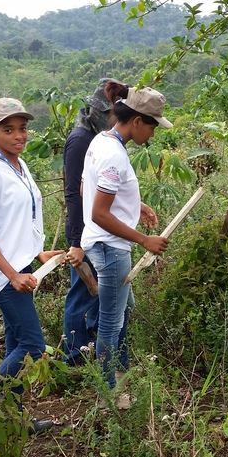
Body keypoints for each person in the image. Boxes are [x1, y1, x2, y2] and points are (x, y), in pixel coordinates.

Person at [0, 97, 64, 433]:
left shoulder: (20, 167)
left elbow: (19, 223)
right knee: (33, 346)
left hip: (22, 268)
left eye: (23, 128)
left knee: (16, 346)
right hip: (4, 276)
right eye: (8, 129)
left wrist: (38, 255)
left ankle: (14, 420)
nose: (19, 135)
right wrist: (12, 275)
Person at [81, 82, 170, 400]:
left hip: (101, 243)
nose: (153, 134)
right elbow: (100, 213)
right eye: (153, 126)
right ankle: (108, 395)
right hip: (111, 247)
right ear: (136, 121)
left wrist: (136, 205)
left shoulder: (99, 142)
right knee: (110, 322)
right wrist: (144, 239)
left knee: (124, 308)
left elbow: (85, 190)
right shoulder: (115, 156)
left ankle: (119, 371)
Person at [61, 78, 117, 366]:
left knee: (96, 291)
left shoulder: (97, 136)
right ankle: (73, 355)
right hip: (85, 232)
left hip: (97, 229)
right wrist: (76, 241)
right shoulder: (81, 139)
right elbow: (73, 192)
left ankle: (90, 345)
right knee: (81, 291)